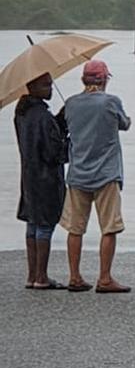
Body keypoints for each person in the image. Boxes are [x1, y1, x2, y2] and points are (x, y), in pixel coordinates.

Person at [60, 60, 132, 293]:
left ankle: (74, 275)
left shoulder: (70, 103)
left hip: (78, 172)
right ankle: (104, 277)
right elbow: (125, 124)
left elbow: (64, 126)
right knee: (109, 227)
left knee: (75, 227)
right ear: (103, 79)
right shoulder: (111, 102)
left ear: (83, 80)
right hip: (106, 172)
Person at [15, 73, 68, 290]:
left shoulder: (22, 113)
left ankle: (32, 275)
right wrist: (69, 142)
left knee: (32, 223)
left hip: (29, 175)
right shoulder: (42, 116)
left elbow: (41, 136)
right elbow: (54, 153)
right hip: (46, 177)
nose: (51, 88)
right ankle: (42, 276)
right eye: (46, 85)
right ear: (33, 86)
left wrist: (60, 121)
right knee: (45, 225)